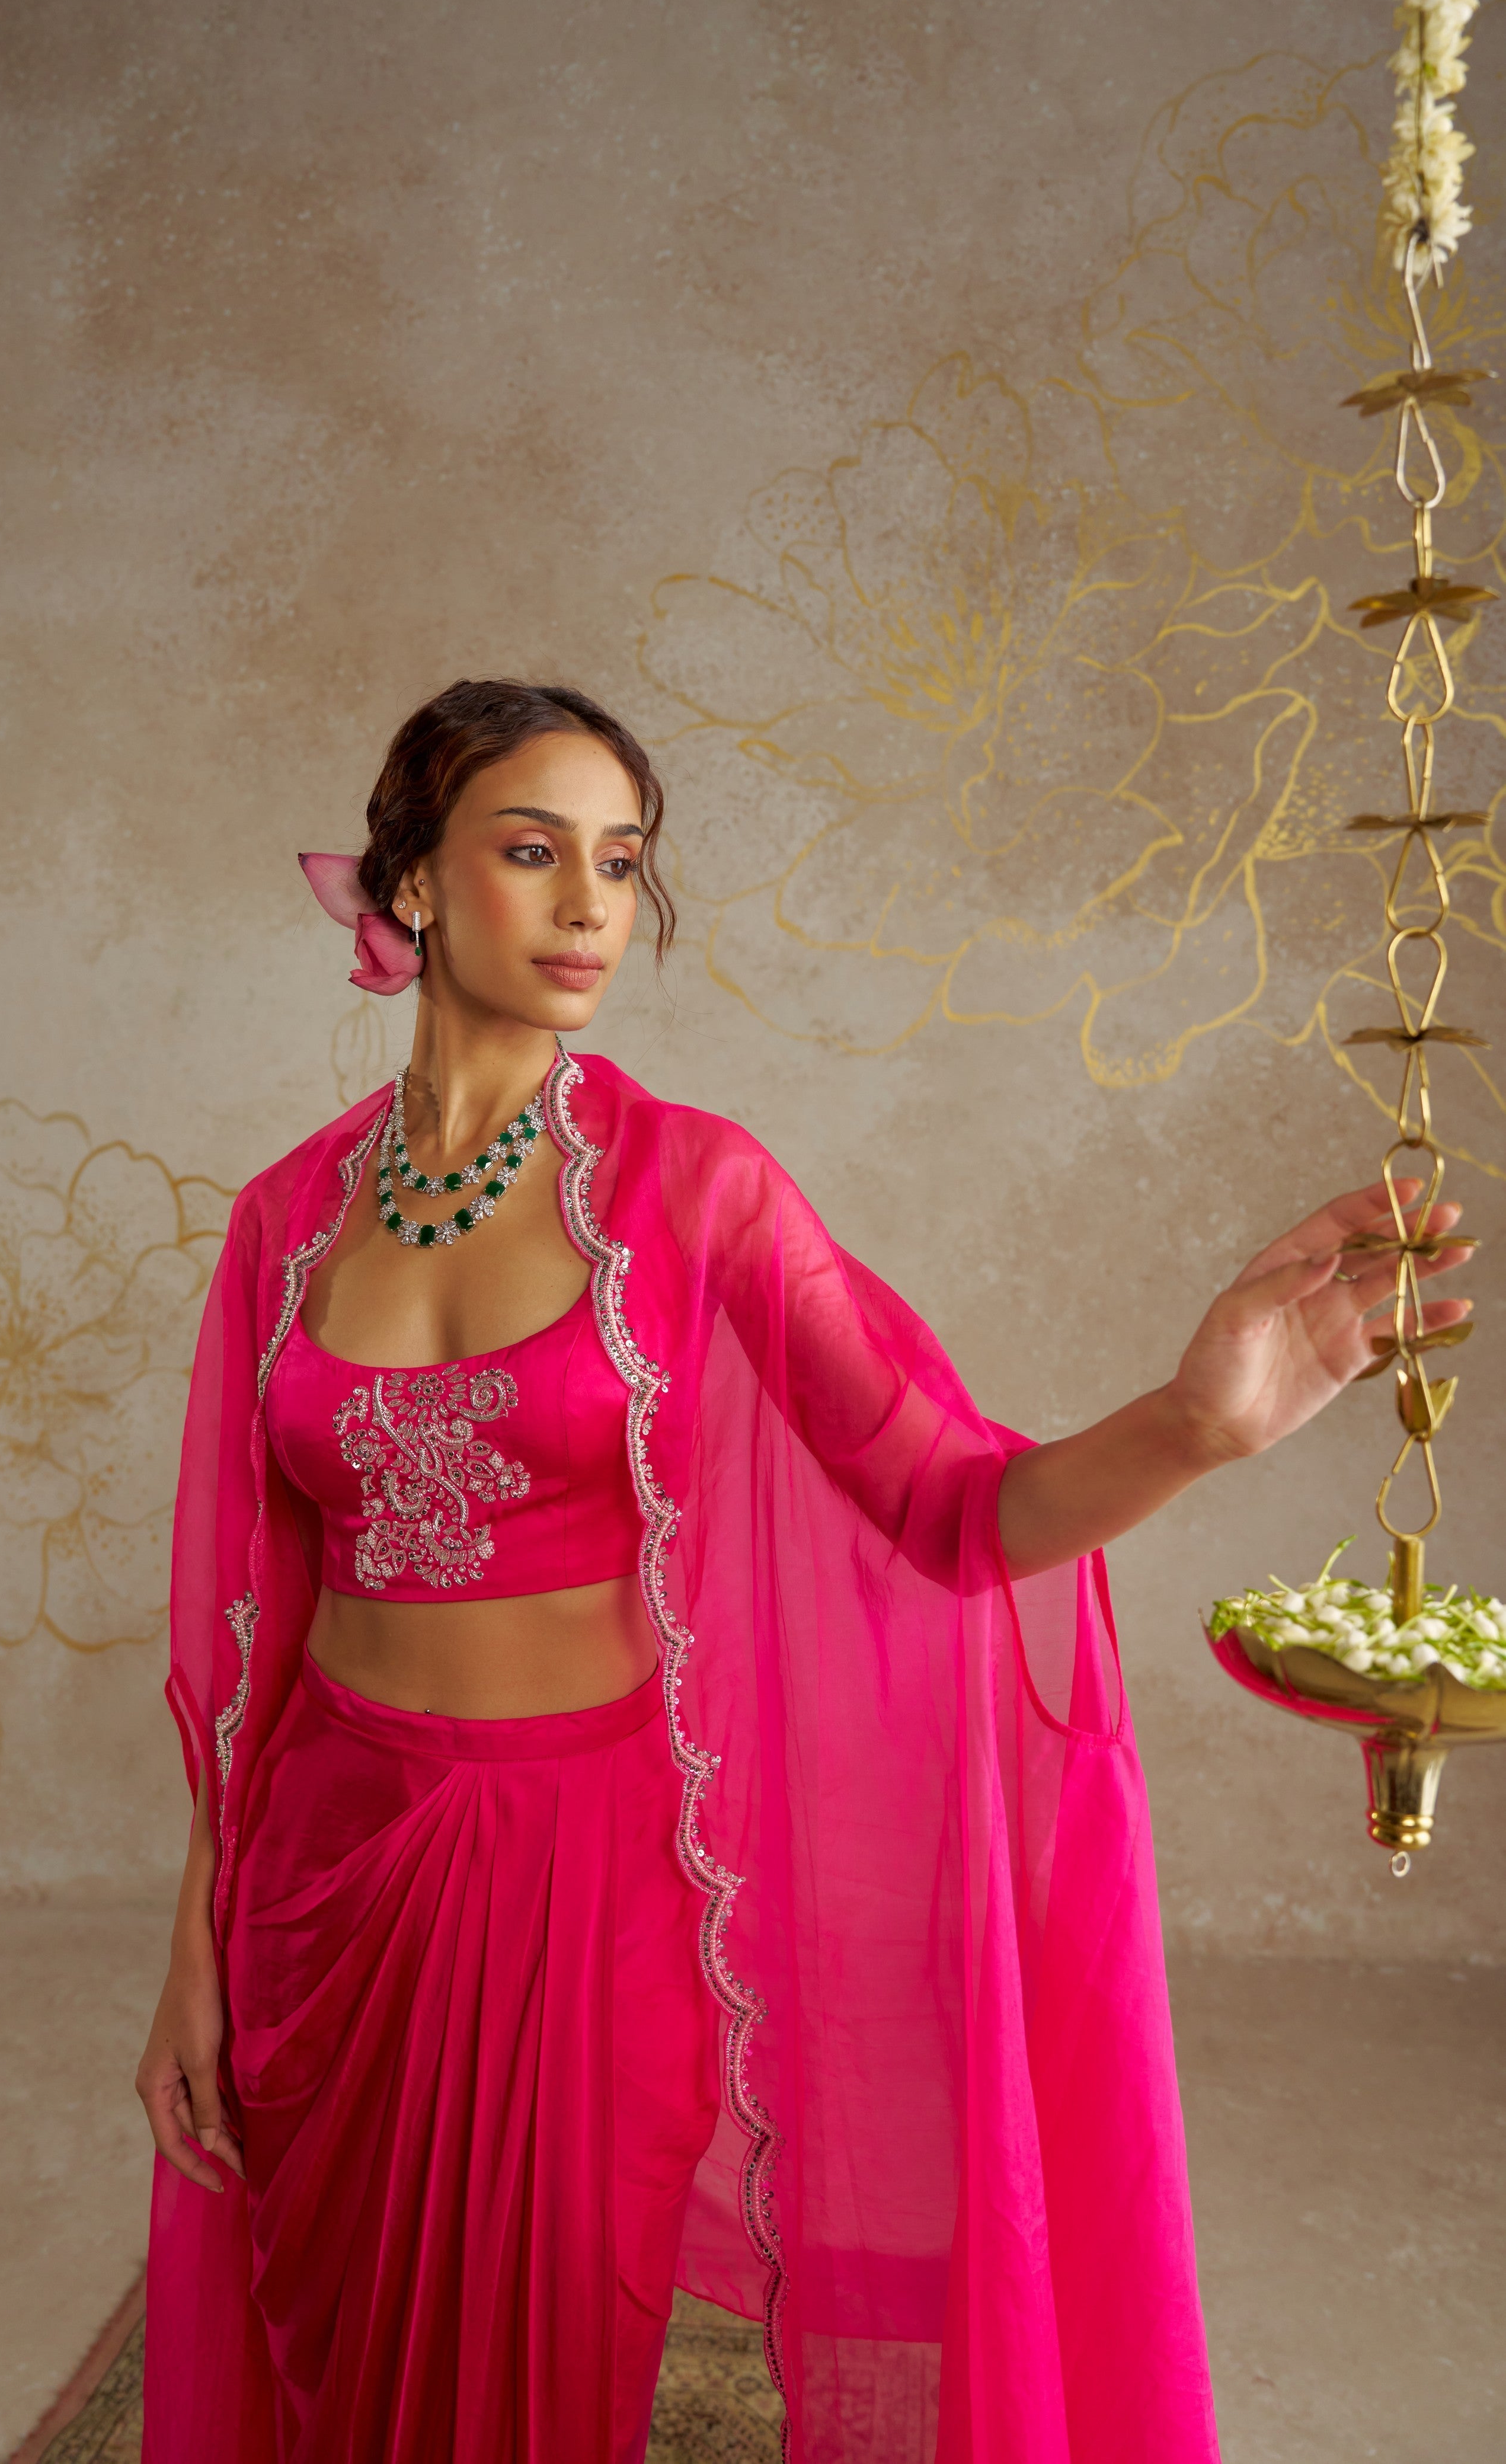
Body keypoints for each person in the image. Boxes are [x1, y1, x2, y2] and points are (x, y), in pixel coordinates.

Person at [136, 679, 1470, 2464]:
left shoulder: (697, 1190)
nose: (592, 903)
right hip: (322, 1867)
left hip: (580, 1880)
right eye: (532, 853)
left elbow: (949, 1510)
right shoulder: (282, 1223)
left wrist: (1198, 1422)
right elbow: (249, 1638)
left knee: (534, 2377)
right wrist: (192, 1959)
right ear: (412, 889)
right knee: (333, 2365)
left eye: (621, 861)